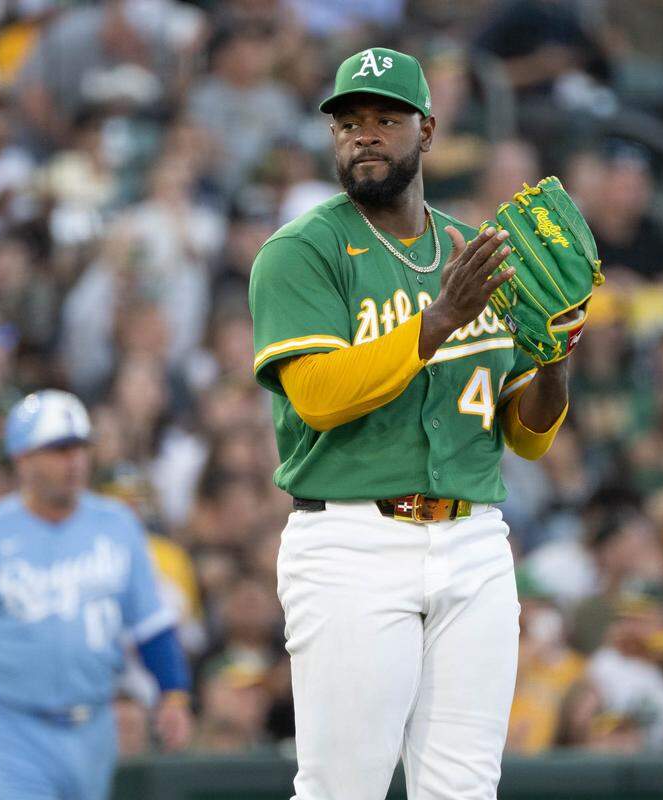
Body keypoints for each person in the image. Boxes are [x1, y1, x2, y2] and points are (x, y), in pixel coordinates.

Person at [247, 48, 571, 799]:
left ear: (427, 130)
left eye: (384, 119)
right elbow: (319, 396)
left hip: (476, 541)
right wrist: (441, 320)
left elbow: (529, 433)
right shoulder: (302, 251)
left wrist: (558, 352)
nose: (364, 135)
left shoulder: (482, 254)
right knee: (342, 789)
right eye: (348, 122)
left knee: (464, 792)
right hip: (352, 541)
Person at [0, 390, 193, 800]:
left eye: (80, 448)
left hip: (94, 722)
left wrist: (173, 693)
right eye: (58, 449)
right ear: (22, 458)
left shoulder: (118, 525)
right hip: (9, 724)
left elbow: (151, 624)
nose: (74, 461)